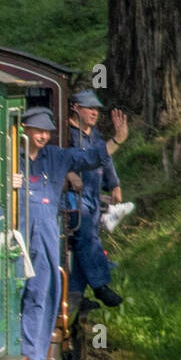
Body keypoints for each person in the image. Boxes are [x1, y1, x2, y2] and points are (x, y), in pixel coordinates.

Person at [13, 107, 119, 360]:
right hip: (16, 233)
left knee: (46, 288)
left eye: (47, 131)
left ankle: (33, 352)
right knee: (16, 291)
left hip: (46, 231)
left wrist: (117, 140)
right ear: (24, 129)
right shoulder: (9, 158)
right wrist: (6, 181)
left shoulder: (57, 157)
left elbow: (89, 157)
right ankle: (17, 350)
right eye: (38, 130)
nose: (43, 136)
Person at [68, 90, 129, 307]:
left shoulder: (94, 136)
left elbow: (105, 158)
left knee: (84, 243)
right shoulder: (66, 135)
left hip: (93, 194)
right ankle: (100, 286)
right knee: (87, 240)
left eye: (97, 109)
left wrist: (114, 184)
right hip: (72, 198)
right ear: (75, 107)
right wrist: (69, 174)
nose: (95, 113)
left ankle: (74, 296)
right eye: (90, 108)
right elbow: (58, 159)